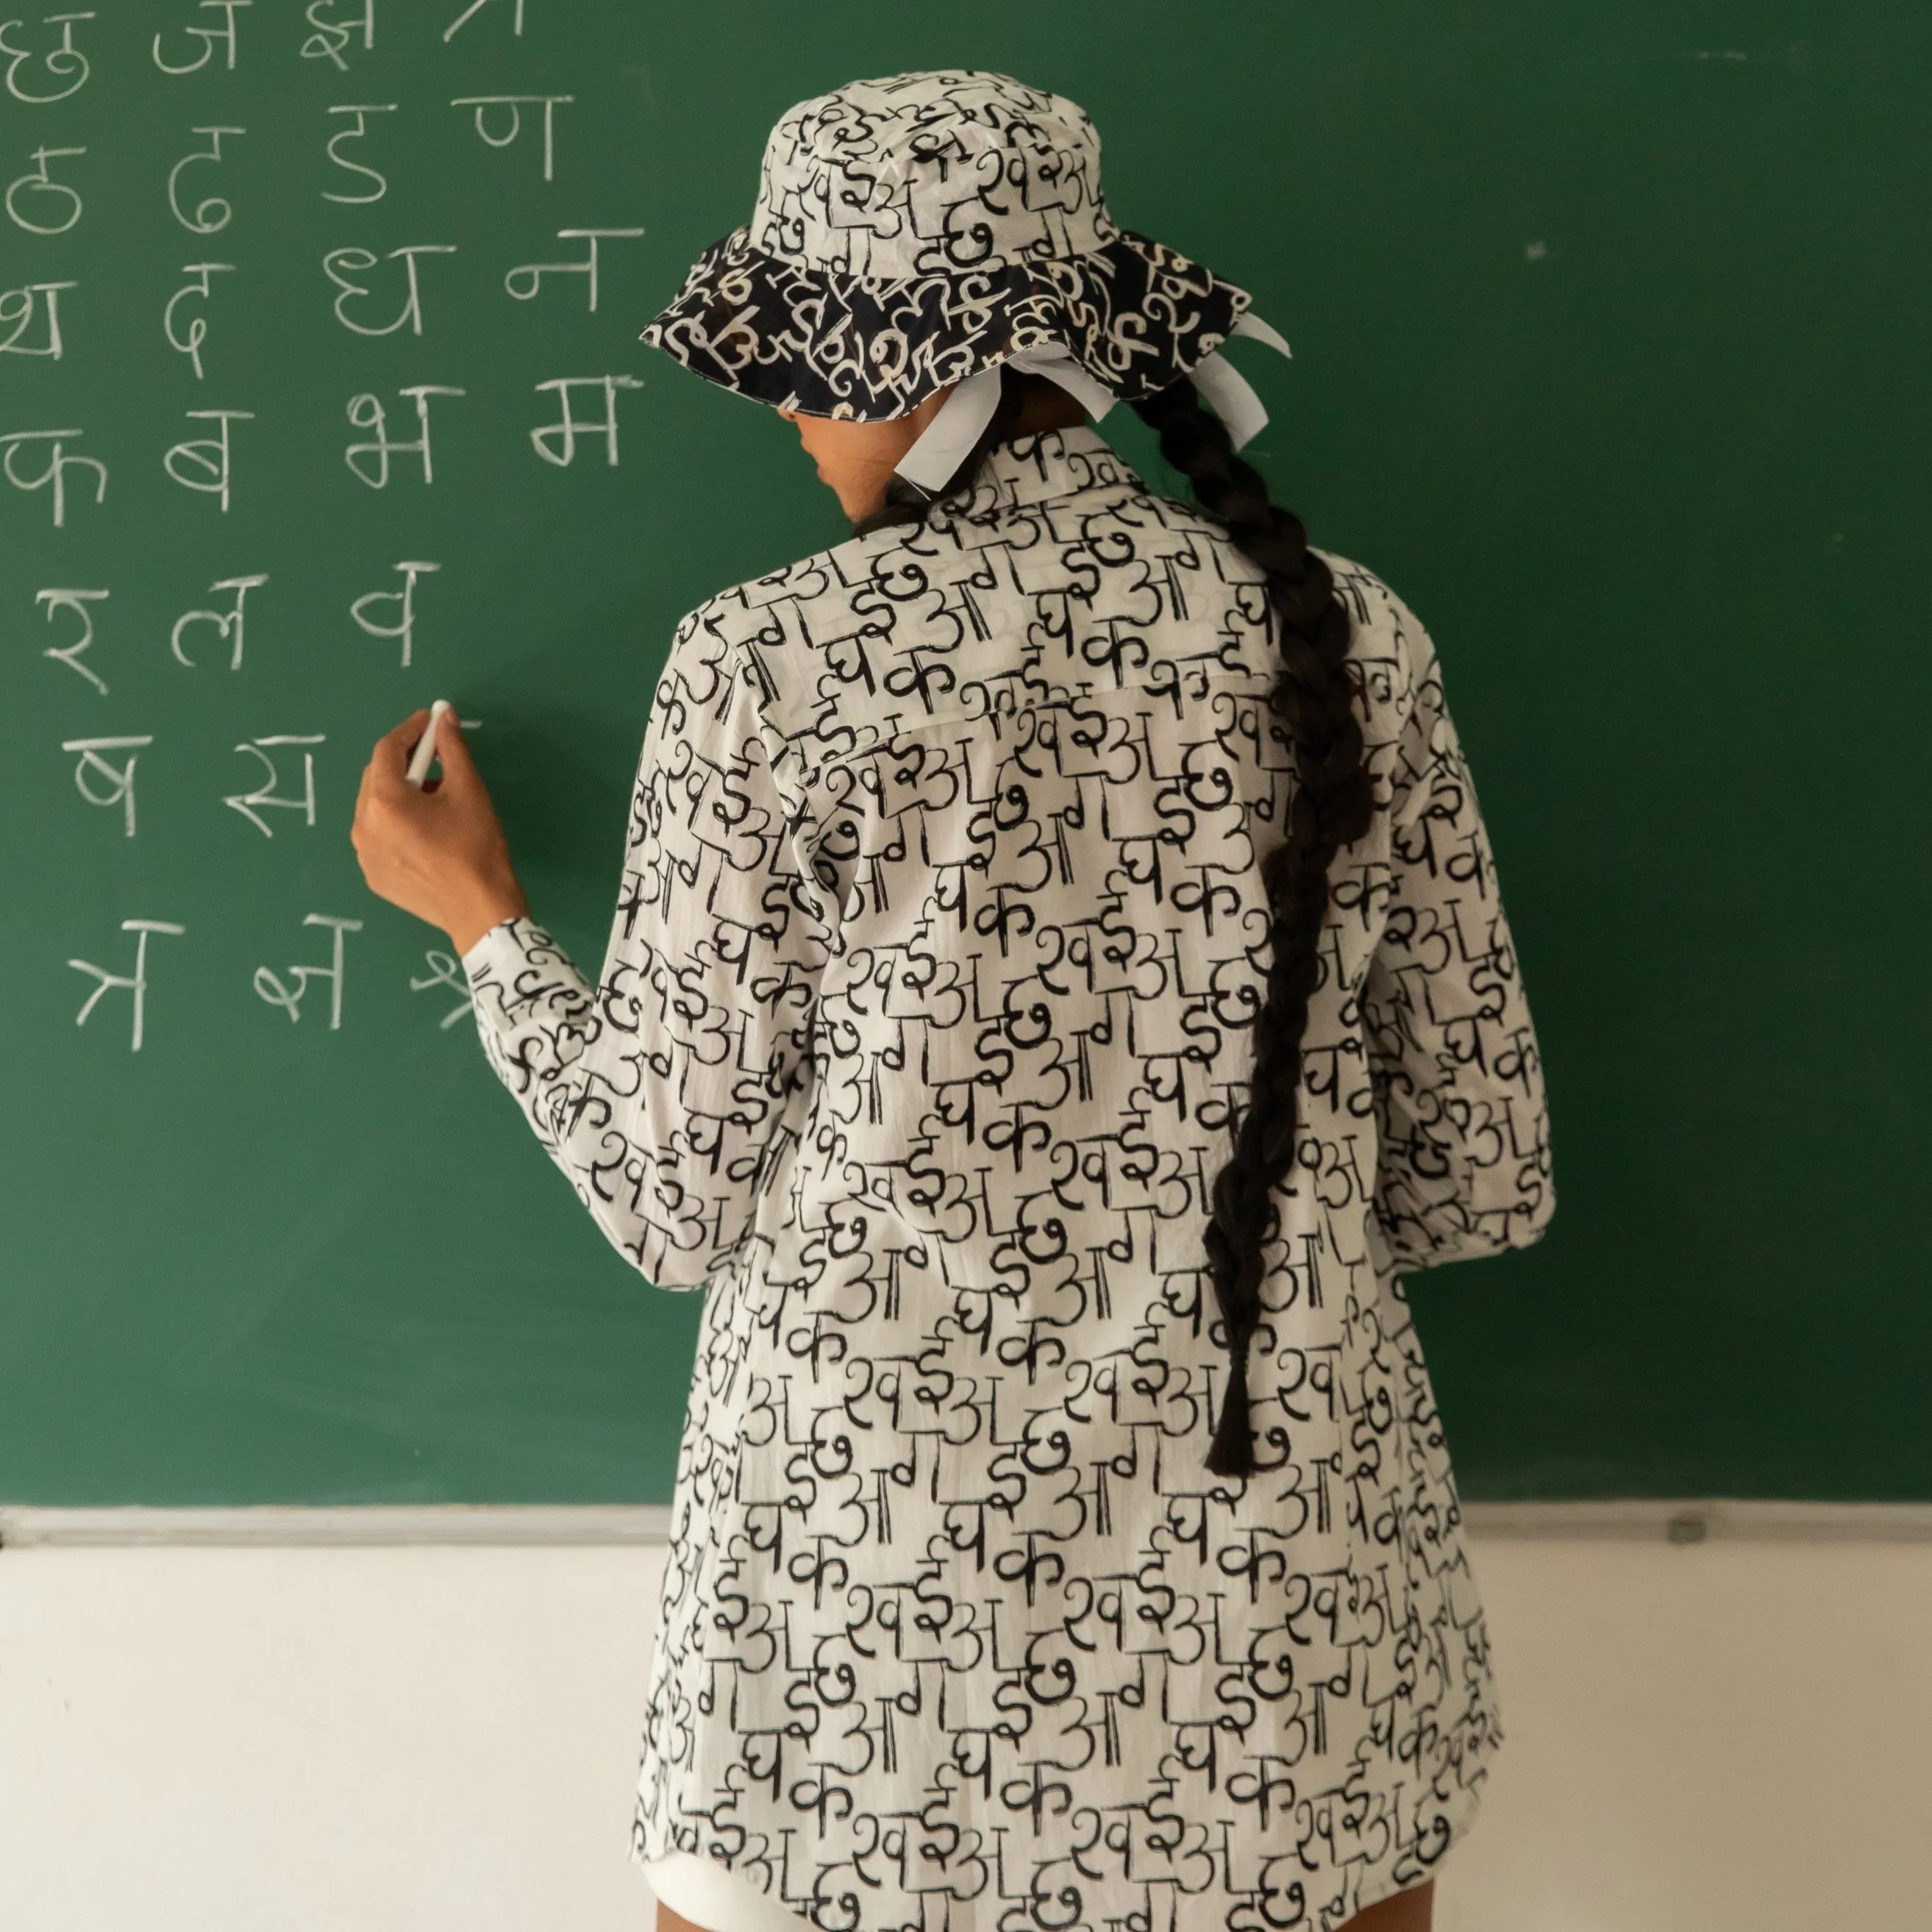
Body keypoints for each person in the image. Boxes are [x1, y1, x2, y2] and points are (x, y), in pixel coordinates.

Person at [352, 69, 1554, 1932]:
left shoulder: (768, 664)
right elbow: (1472, 1175)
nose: (776, 396)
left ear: (932, 364)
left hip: (868, 1615)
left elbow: (669, 1202)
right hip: (1273, 1598)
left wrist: (486, 928)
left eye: (804, 350)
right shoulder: (1351, 631)